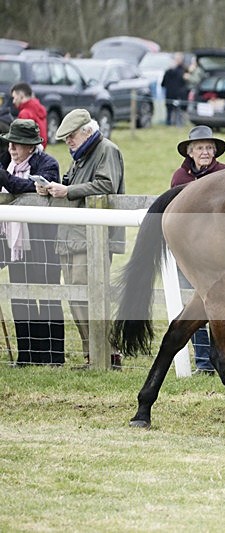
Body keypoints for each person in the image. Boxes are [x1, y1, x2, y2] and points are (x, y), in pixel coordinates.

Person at [36, 109, 125, 368]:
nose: (68, 143)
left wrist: (69, 190)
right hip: (73, 236)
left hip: (91, 238)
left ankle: (107, 354)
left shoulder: (106, 150)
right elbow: (74, 185)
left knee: (90, 296)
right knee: (76, 298)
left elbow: (107, 185)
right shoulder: (82, 154)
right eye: (65, 139)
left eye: (71, 137)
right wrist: (51, 189)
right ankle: (92, 354)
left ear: (87, 131)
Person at [171, 125, 225, 373]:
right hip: (190, 253)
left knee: (222, 307)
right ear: (190, 152)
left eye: (208, 148)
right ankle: (203, 361)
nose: (205, 152)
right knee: (195, 308)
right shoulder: (179, 179)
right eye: (200, 148)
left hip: (219, 255)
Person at [0, 119, 63, 365]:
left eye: (17, 145)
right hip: (14, 243)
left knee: (48, 296)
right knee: (20, 297)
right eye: (10, 144)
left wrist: (3, 177)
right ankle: (26, 354)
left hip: (42, 241)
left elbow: (26, 188)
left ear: (30, 146)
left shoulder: (48, 163)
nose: (12, 149)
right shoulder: (7, 163)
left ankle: (52, 355)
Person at [10, 83, 47, 149]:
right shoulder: (39, 109)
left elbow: (21, 139)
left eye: (14, 97)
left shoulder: (25, 114)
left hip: (29, 151)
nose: (13, 101)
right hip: (40, 149)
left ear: (21, 96)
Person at [161, 52, 187, 126]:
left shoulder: (183, 70)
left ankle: (179, 123)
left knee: (179, 110)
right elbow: (163, 83)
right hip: (170, 93)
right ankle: (169, 122)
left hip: (179, 94)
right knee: (169, 110)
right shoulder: (168, 71)